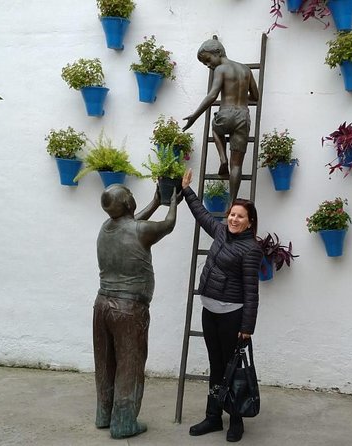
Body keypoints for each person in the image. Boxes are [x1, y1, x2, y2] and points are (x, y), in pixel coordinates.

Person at [180, 168, 261, 442]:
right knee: (216, 365)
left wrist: (247, 327)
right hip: (209, 312)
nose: (234, 219)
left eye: (240, 216)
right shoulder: (221, 232)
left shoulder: (251, 249)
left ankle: (236, 420)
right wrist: (187, 190)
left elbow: (252, 290)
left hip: (231, 317)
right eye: (232, 214)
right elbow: (202, 215)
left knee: (232, 369)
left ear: (250, 223)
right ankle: (214, 416)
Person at [93, 185, 178, 439]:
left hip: (102, 305)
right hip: (129, 310)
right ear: (129, 202)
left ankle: (104, 414)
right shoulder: (140, 230)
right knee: (129, 364)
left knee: (106, 362)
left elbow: (132, 223)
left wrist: (153, 202)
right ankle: (124, 422)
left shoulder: (106, 228)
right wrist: (172, 201)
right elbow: (168, 224)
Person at [182, 38, 260, 206]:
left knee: (215, 127)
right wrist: (239, 98)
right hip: (243, 116)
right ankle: (232, 204)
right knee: (237, 165)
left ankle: (222, 158)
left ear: (217, 53)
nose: (209, 65)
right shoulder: (246, 70)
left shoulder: (221, 69)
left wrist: (194, 116)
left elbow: (212, 96)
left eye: (208, 60)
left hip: (226, 114)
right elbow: (255, 97)